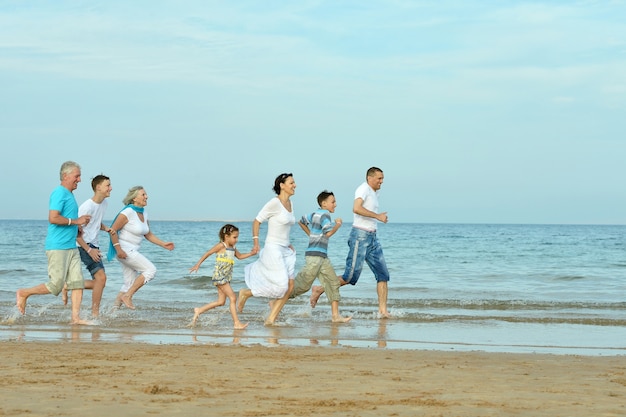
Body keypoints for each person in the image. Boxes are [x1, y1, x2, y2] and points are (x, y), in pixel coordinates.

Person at [16, 161, 93, 324]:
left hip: (71, 246)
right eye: (77, 176)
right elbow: (53, 217)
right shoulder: (59, 193)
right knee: (56, 286)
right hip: (58, 247)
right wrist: (75, 221)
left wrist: (77, 228)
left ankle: (75, 318)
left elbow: (66, 219)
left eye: (79, 176)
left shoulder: (69, 194)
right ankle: (24, 293)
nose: (79, 180)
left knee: (77, 283)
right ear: (65, 176)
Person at [311, 167, 391, 318]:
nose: (382, 181)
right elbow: (356, 208)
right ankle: (319, 289)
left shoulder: (375, 192)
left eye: (382, 178)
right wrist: (378, 216)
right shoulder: (363, 189)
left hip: (373, 238)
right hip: (360, 237)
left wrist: (377, 219)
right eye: (379, 178)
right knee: (350, 277)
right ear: (370, 178)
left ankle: (383, 311)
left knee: (383, 275)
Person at [237, 173, 297, 326]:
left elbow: (284, 226)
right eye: (291, 183)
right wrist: (256, 242)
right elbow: (257, 221)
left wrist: (288, 243)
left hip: (286, 249)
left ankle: (271, 319)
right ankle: (247, 293)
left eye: (294, 182)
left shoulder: (290, 203)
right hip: (273, 248)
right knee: (282, 286)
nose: (294, 185)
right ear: (282, 185)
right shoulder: (274, 203)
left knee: (290, 287)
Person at [107, 186, 175, 310]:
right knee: (150, 270)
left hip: (131, 250)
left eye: (146, 195)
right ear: (134, 198)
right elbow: (112, 231)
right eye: (143, 195)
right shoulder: (127, 212)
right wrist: (118, 250)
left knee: (128, 284)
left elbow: (147, 234)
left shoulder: (144, 212)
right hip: (124, 249)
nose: (146, 197)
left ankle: (112, 312)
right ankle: (128, 296)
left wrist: (163, 244)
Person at [289, 190, 352, 323]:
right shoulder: (325, 215)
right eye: (333, 202)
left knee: (333, 282)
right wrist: (338, 225)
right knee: (302, 286)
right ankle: (276, 301)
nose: (335, 204)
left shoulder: (314, 214)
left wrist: (311, 235)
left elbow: (301, 221)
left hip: (321, 256)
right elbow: (328, 233)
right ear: (324, 203)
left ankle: (335, 316)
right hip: (314, 257)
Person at [188, 224, 257, 329]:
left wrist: (251, 254)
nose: (236, 240)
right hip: (220, 277)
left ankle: (199, 310)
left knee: (221, 302)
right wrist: (198, 264)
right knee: (233, 297)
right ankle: (236, 323)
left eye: (237, 237)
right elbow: (208, 253)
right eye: (234, 237)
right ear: (226, 236)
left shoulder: (233, 248)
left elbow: (240, 256)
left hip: (226, 277)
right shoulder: (221, 246)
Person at [68, 174, 114, 318]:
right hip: (83, 245)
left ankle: (69, 285)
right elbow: (76, 231)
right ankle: (95, 314)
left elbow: (94, 223)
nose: (111, 188)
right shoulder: (86, 206)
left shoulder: (104, 203)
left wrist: (106, 228)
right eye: (108, 185)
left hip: (93, 244)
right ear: (98, 187)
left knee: (100, 280)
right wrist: (89, 250)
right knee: (101, 278)